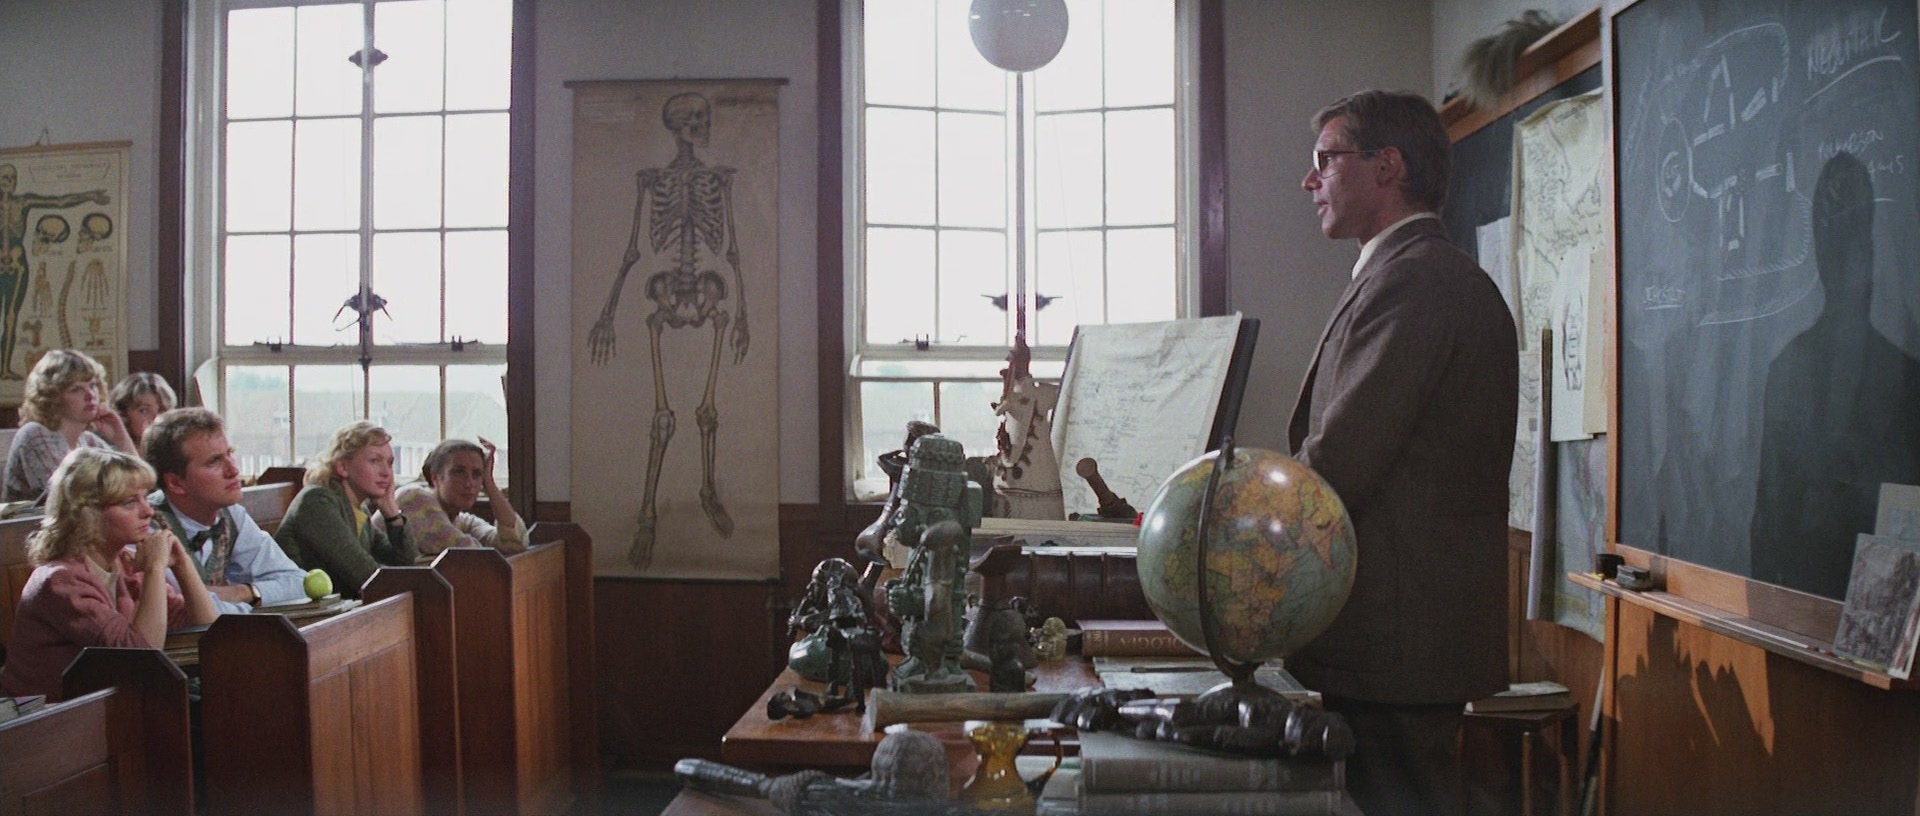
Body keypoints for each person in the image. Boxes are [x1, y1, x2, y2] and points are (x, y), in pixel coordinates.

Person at [1288, 90, 1518, 816]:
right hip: (1394, 638)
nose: (1310, 179)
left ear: (1387, 166)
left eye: (1326, 159)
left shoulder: (1415, 280)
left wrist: (1243, 517)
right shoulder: (1408, 273)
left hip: (1397, 641)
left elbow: (1341, 462)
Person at [0, 448, 218, 700]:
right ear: (88, 513)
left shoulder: (124, 563)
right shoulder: (60, 581)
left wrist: (183, 565)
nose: (148, 511)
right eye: (130, 502)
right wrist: (155, 569)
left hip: (105, 707)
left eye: (146, 497)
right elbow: (139, 658)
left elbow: (209, 630)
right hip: (47, 717)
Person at [143, 407, 308, 613]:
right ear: (176, 483)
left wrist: (242, 592)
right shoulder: (145, 528)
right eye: (214, 462)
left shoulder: (231, 514)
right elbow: (195, 610)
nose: (234, 470)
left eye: (230, 453)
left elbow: (299, 582)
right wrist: (246, 602)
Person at [274, 420, 417, 598]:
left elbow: (405, 565)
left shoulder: (360, 508)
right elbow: (364, 576)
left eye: (389, 462)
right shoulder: (317, 502)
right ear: (342, 467)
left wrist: (392, 514)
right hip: (296, 610)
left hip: (335, 608)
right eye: (374, 461)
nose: (386, 472)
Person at [3, 349, 137, 503]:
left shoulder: (89, 441)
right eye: (76, 389)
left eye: (93, 385)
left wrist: (121, 438)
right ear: (52, 397)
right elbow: (69, 498)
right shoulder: (35, 434)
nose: (90, 395)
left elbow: (139, 484)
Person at [394, 437, 527, 557]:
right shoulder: (412, 499)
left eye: (477, 474)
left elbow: (515, 544)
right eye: (459, 472)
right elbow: (468, 553)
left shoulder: (462, 521)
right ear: (435, 477)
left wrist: (489, 483)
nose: (469, 483)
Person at [109, 371, 177, 452]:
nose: (155, 419)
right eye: (144, 411)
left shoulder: (177, 452)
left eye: (162, 411)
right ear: (123, 414)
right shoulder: (108, 453)